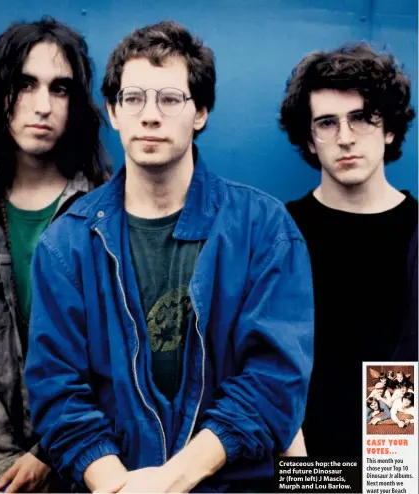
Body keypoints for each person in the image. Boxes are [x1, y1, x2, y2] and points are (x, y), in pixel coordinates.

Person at [24, 20, 314, 492]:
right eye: (133, 98)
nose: (150, 115)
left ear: (200, 112)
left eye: (170, 99)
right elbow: (58, 393)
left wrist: (171, 481)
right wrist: (118, 486)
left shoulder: (265, 230)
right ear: (114, 113)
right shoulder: (68, 244)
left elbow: (273, 383)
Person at [0, 17, 109, 493]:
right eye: (25, 84)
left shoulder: (108, 214)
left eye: (61, 89)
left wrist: (53, 451)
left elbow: (124, 354)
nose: (43, 106)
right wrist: (8, 467)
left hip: (98, 467)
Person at [280, 43, 417, 457]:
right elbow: (263, 361)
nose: (344, 138)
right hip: (299, 461)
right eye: (326, 123)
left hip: (394, 468)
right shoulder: (280, 231)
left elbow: (402, 365)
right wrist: (304, 475)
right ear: (309, 139)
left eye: (360, 118)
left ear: (389, 128)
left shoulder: (416, 231)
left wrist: (384, 476)